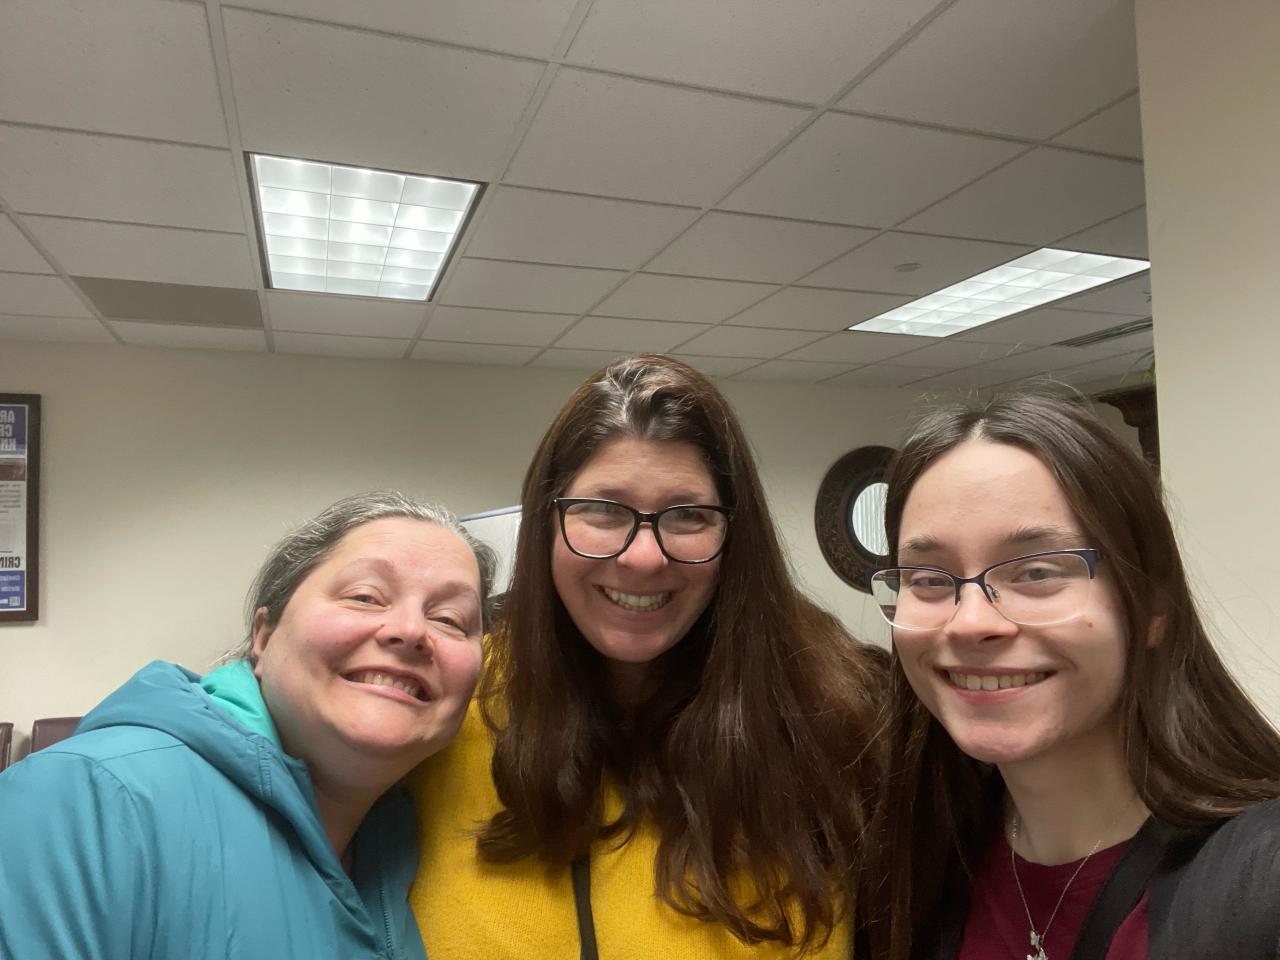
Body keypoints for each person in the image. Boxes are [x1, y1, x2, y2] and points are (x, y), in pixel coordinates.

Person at [409, 355, 887, 958]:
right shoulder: (446, 701)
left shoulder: (838, 718)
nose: (642, 558)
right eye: (604, 510)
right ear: (546, 523)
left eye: (688, 516)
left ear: (734, 537)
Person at [865, 392, 1280, 960]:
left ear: (1153, 605)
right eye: (929, 579)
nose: (970, 623)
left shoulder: (1259, 884)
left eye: (1036, 571)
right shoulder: (911, 861)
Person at [0, 492, 496, 960]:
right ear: (263, 635)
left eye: (450, 619)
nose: (411, 631)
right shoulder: (84, 797)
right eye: (365, 596)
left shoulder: (407, 842)